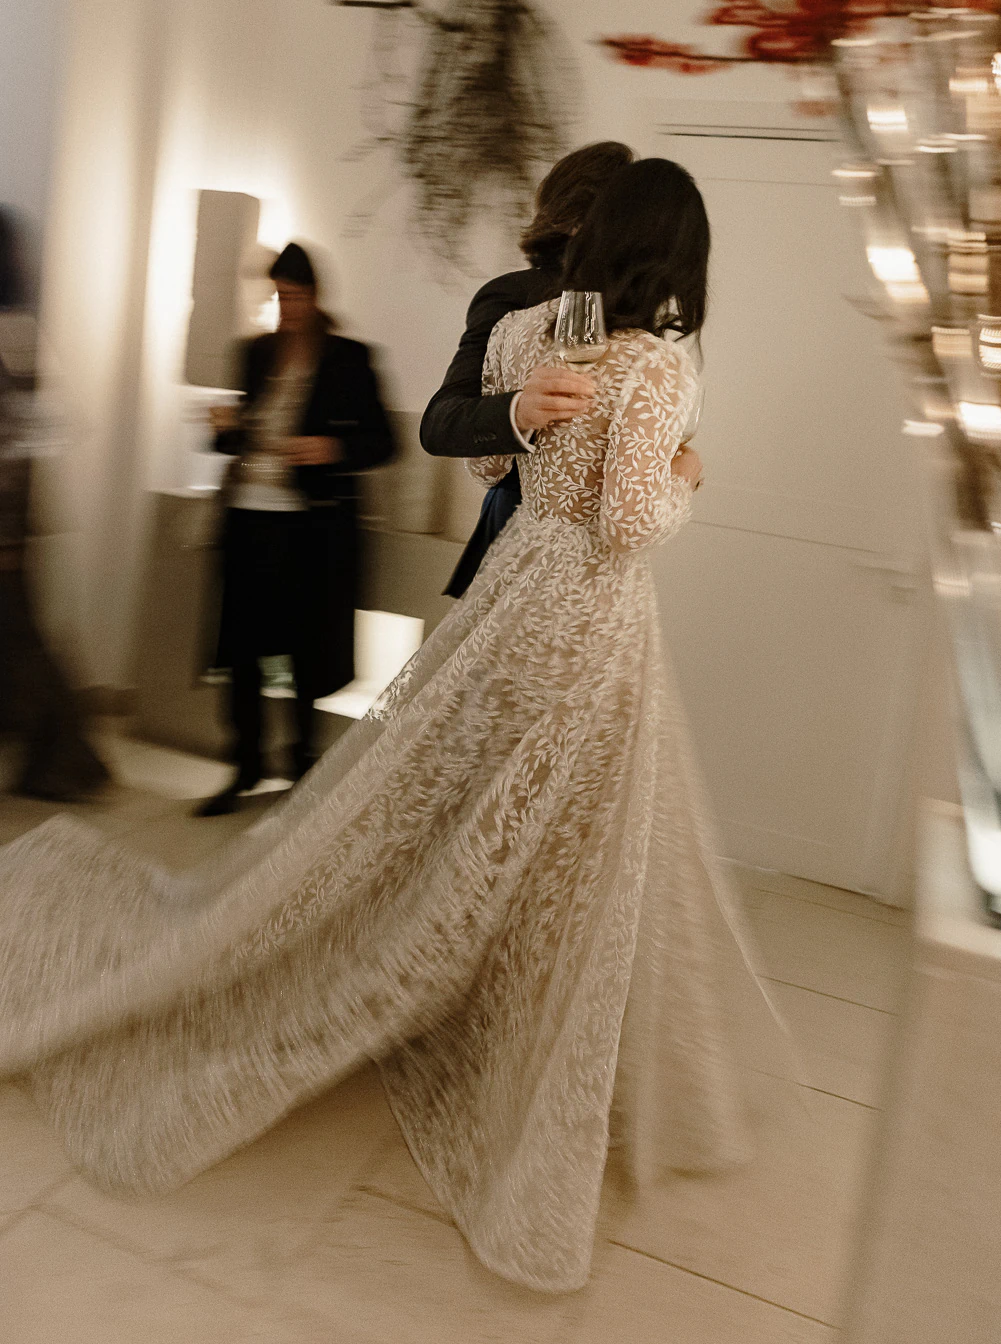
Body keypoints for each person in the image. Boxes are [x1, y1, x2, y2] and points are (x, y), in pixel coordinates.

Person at [0, 161, 786, 1294]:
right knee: (570, 832)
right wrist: (686, 476)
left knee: (523, 821)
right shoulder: (653, 361)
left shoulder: (538, 335)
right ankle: (494, 1028)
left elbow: (484, 461)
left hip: (517, 593)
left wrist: (533, 432)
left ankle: (478, 1000)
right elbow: (616, 512)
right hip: (590, 620)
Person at [199, 242, 394, 815]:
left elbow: (383, 442)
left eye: (298, 296)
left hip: (309, 527)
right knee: (239, 647)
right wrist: (224, 428)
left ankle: (302, 760)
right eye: (281, 296)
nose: (289, 308)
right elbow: (238, 438)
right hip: (247, 514)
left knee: (306, 645)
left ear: (317, 296)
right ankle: (245, 764)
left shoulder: (349, 358)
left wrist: (329, 447)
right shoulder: (255, 353)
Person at [421, 140, 633, 596]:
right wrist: (519, 411)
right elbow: (439, 423)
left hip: (606, 558)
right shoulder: (515, 296)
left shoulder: (640, 308)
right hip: (520, 526)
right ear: (576, 220)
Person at [0, 207, 109, 802]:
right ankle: (65, 759)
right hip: (10, 522)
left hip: (5, 524)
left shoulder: (10, 332)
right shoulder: (15, 330)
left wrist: (10, 532)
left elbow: (26, 437)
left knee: (23, 642)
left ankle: (69, 759)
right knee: (21, 640)